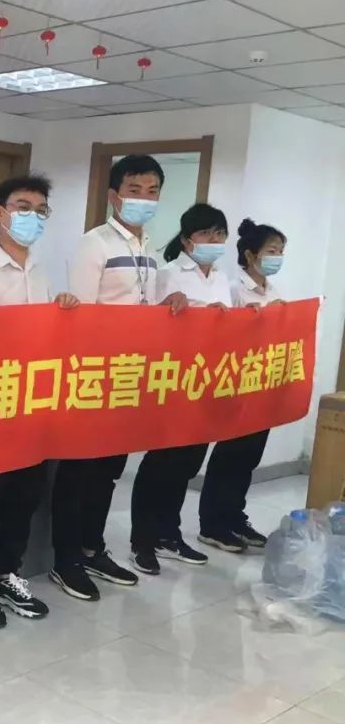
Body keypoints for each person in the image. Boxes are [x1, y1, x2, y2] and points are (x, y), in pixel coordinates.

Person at [50, 154, 188, 602]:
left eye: (152, 191)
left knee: (108, 471)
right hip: (95, 376)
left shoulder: (148, 249)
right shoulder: (95, 244)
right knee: (80, 470)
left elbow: (141, 310)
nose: (144, 199)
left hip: (129, 378)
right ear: (114, 196)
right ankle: (66, 558)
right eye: (134, 190)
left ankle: (92, 548)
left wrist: (170, 303)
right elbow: (81, 314)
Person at [0, 175, 79, 627]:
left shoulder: (43, 269)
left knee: (24, 495)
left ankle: (8, 570)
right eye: (23, 207)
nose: (33, 216)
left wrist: (64, 306)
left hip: (33, 402)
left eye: (40, 210)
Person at [129, 203, 231, 575]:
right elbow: (152, 322)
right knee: (161, 462)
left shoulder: (221, 278)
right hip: (172, 383)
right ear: (188, 240)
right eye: (206, 233)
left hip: (206, 383)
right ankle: (142, 541)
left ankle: (168, 533)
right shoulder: (168, 273)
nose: (213, 240)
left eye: (219, 233)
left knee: (187, 464)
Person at [198, 218, 288, 553]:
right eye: (271, 251)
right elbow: (227, 334)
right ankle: (212, 524)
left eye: (281, 251)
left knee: (249, 456)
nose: (277, 257)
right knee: (229, 455)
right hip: (236, 384)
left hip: (263, 384)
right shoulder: (234, 287)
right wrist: (263, 319)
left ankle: (235, 516)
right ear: (251, 255)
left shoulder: (272, 291)